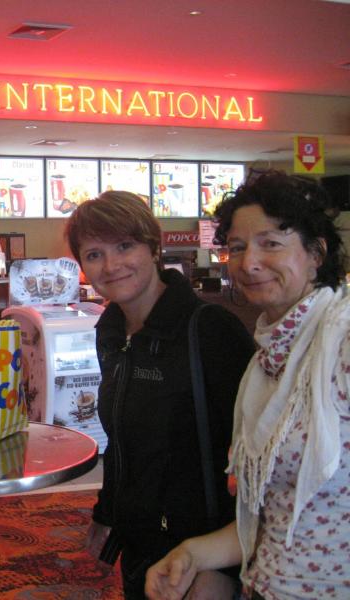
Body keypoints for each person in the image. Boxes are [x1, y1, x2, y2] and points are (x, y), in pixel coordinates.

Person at [145, 170, 350, 600]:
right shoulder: (267, 362)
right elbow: (270, 520)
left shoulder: (340, 341)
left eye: (271, 243)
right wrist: (193, 553)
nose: (249, 263)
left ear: (316, 253)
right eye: (237, 248)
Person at [65, 191, 256, 599]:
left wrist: (226, 565)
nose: (111, 265)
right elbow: (124, 439)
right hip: (141, 541)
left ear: (153, 248)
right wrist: (107, 512)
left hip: (204, 550)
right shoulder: (111, 332)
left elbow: (258, 452)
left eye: (124, 246)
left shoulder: (209, 330)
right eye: (94, 254)